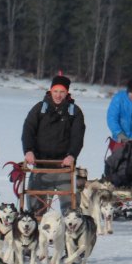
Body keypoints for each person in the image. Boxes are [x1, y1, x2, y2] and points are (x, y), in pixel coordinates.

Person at [21, 74, 86, 214]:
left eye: (62, 92)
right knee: (34, 210)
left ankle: (69, 234)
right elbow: (28, 130)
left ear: (67, 93)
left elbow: (77, 137)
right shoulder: (39, 108)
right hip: (41, 166)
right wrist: (28, 150)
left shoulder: (75, 112)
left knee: (71, 211)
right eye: (55, 91)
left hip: (63, 167)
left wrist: (72, 155)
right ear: (50, 91)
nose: (58, 95)